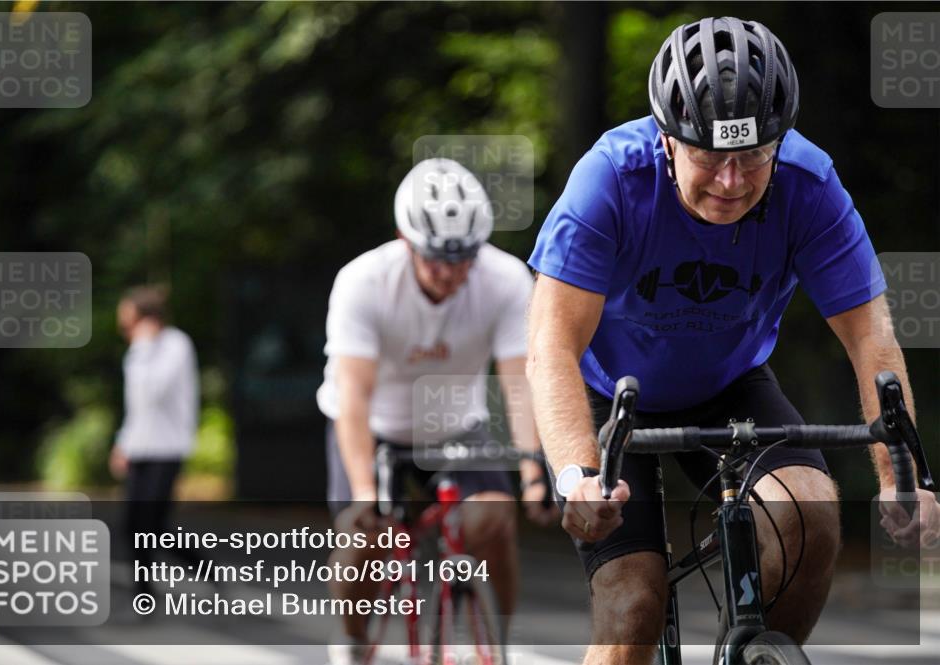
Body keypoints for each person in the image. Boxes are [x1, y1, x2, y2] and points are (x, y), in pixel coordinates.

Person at [526, 16, 940, 665]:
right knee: (633, 603)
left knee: (813, 519)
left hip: (728, 383)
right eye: (709, 158)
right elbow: (551, 341)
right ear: (667, 140)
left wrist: (901, 475)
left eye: (752, 157)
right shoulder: (608, 180)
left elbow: (870, 335)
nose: (731, 180)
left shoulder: (810, 184)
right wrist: (576, 474)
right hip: (610, 392)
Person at [316, 158, 556, 664]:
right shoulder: (363, 281)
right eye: (435, 260)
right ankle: (353, 641)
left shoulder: (507, 279)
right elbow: (352, 397)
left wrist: (535, 472)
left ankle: (498, 641)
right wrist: (364, 495)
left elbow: (519, 382)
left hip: (454, 424)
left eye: (463, 258)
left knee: (495, 517)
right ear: (406, 240)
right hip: (375, 426)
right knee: (363, 540)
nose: (450, 273)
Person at [110, 285, 200, 597]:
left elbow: (153, 392)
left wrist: (144, 347)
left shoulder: (174, 345)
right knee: (133, 526)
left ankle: (206, 569)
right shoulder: (137, 351)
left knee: (154, 528)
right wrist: (123, 442)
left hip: (166, 449)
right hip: (139, 450)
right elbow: (136, 406)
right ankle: (144, 592)